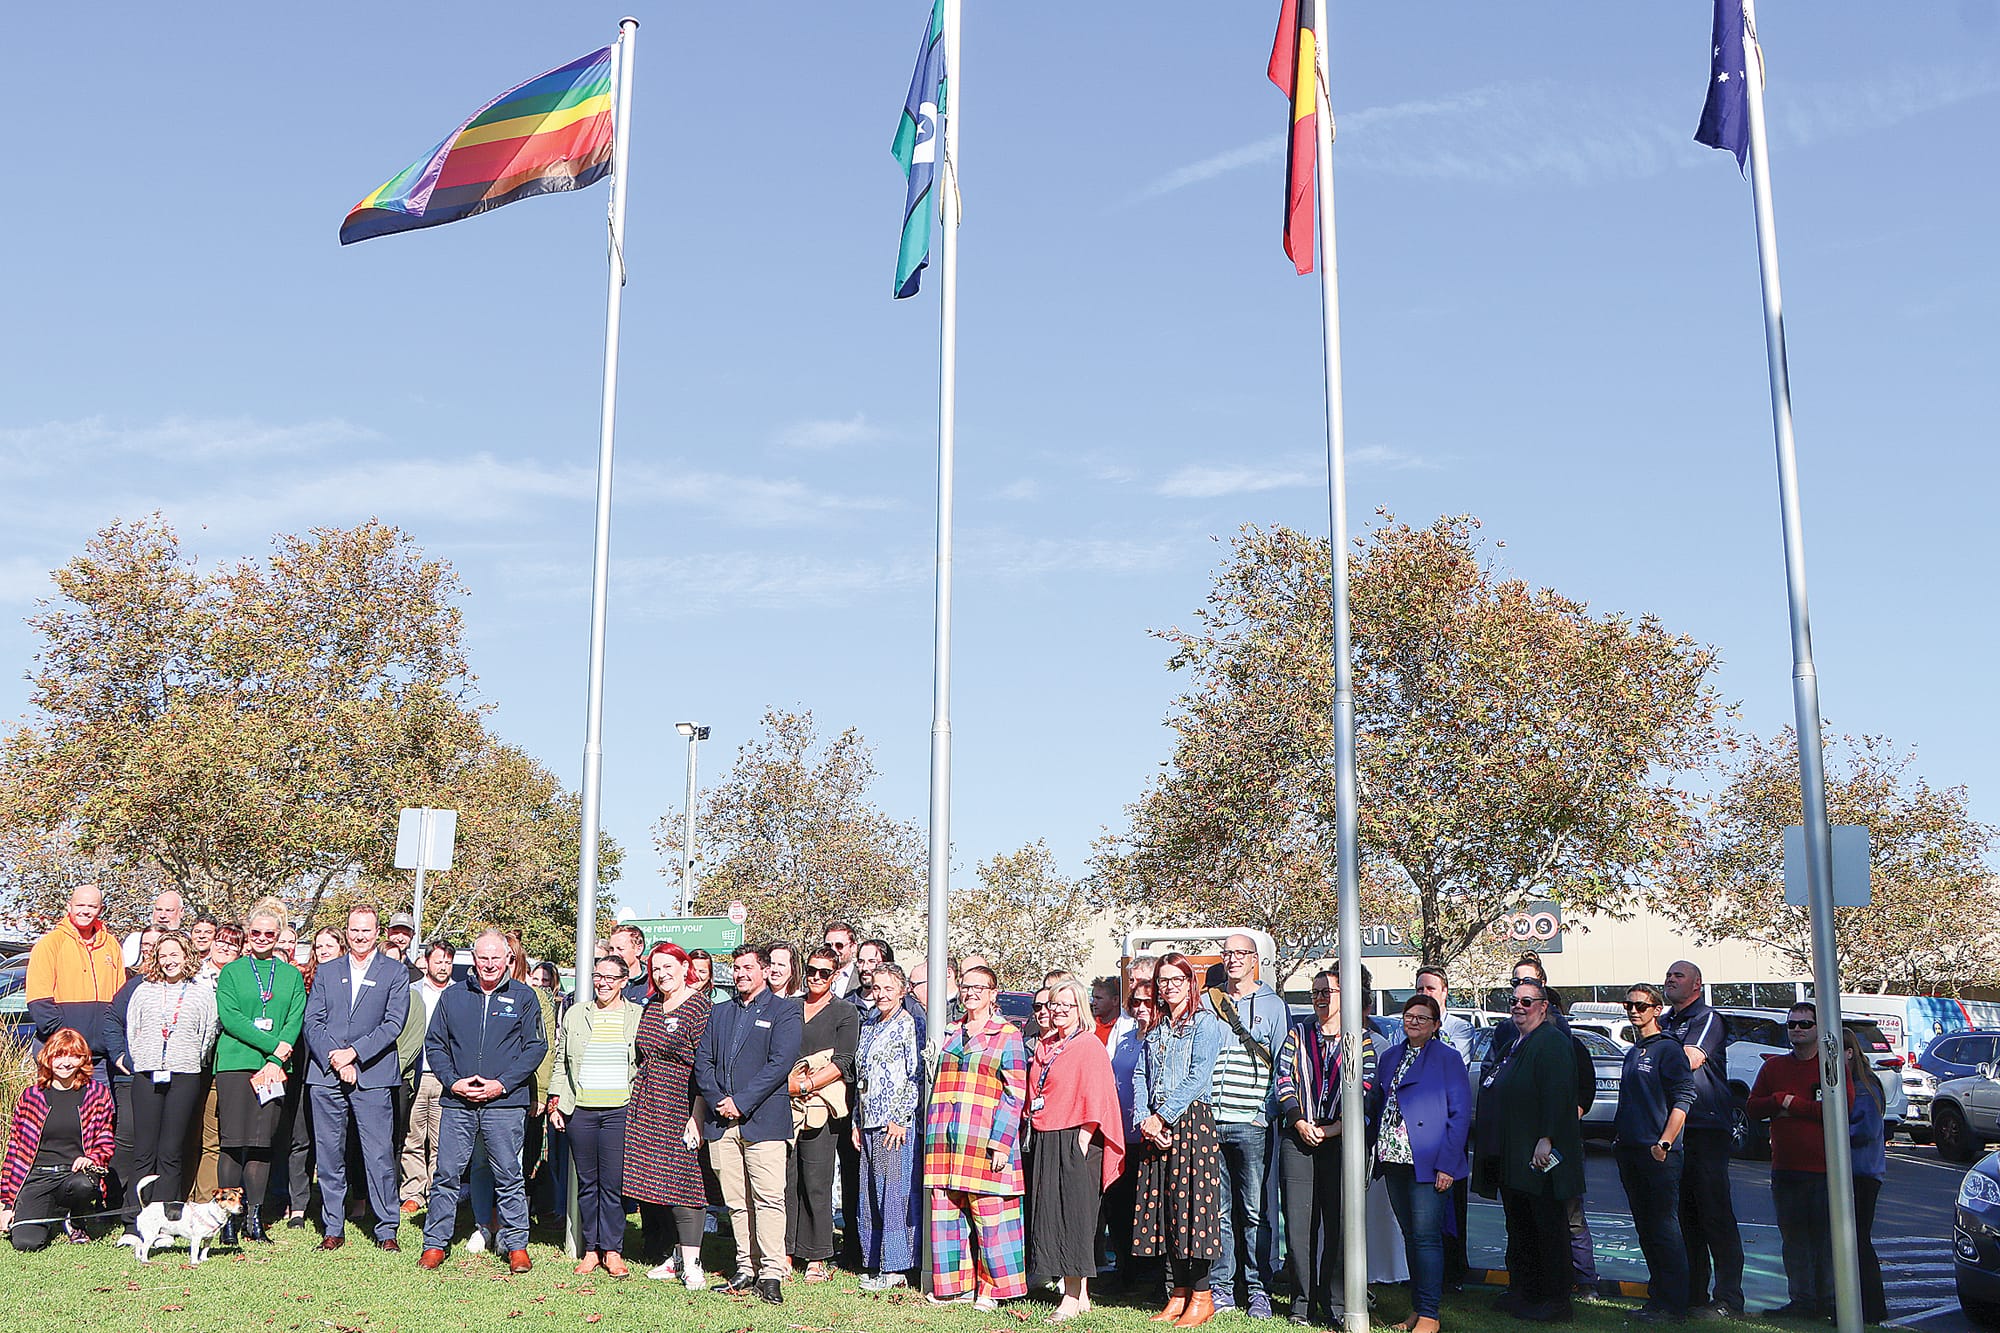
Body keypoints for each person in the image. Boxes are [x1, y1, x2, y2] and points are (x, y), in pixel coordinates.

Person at [415, 929, 548, 1274]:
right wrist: (453, 1081)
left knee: (509, 1175)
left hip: (504, 1102)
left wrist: (501, 1084)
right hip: (458, 1101)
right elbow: (435, 1044)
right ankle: (435, 1243)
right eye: (482, 957)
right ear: (473, 959)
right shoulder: (454, 996)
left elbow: (535, 1047)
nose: (489, 964)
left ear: (508, 960)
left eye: (496, 957)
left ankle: (516, 1245)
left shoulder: (524, 997)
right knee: (447, 1174)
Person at [696, 943, 803, 1304]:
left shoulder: (785, 1012)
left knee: (769, 1198)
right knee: (736, 1201)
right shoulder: (719, 1012)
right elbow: (703, 1063)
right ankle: (746, 1266)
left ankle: (771, 1272)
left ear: (763, 971)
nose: (741, 974)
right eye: (736, 968)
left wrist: (740, 1102)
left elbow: (779, 1064)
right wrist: (718, 1102)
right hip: (722, 1123)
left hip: (764, 1121)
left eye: (747, 968)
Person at [1473, 978, 1584, 1323]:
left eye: (1526, 1001)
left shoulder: (1551, 1042)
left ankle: (1554, 1298)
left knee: (1546, 1227)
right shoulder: (1514, 1042)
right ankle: (1525, 1292)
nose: (1518, 1007)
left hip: (1539, 1157)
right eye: (1514, 1001)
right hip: (1512, 1156)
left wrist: (1547, 1137)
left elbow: (1558, 1092)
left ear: (1543, 1006)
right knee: (1520, 1227)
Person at [301, 904, 411, 1251]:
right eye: (354, 930)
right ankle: (333, 1226)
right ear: (346, 933)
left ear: (377, 932)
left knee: (378, 1155)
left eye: (366, 930)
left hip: (373, 1076)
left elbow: (393, 1023)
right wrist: (336, 1057)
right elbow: (312, 1021)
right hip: (325, 1074)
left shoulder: (394, 972)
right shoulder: (328, 971)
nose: (360, 936)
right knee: (329, 1154)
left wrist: (355, 1053)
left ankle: (387, 1229)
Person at [1274, 966, 1377, 1327]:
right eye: (1315, 992)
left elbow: (1365, 1086)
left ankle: (1334, 1302)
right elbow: (1283, 1078)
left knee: (1339, 1224)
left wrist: (1334, 1129)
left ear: (1344, 996)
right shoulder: (1298, 1033)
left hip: (1340, 1143)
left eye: (1328, 992)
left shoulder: (1359, 1039)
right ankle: (1301, 1303)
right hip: (1298, 1138)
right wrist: (1299, 1121)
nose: (1320, 998)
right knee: (1300, 1228)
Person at [924, 962, 1028, 1312]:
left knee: (991, 1220)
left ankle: (990, 1291)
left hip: (984, 1139)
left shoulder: (1007, 1035)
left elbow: (1016, 1092)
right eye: (966, 987)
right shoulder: (950, 1031)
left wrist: (1002, 1141)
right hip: (945, 1142)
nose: (971, 993)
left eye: (979, 988)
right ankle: (953, 1288)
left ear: (993, 994)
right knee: (946, 1215)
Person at [1132, 952, 1226, 1328]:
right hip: (1155, 1124)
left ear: (1191, 983)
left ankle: (1203, 1296)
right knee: (1166, 1213)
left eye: (1177, 979)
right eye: (1163, 980)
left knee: (1194, 1213)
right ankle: (1179, 1293)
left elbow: (1198, 1076)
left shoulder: (1205, 1024)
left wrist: (1163, 1116)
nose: (1169, 986)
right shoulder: (1155, 1026)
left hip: (1191, 1121)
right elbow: (1140, 1074)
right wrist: (1144, 1118)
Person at [1368, 994, 1470, 1333]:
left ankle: (1430, 1314)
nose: (1413, 1022)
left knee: (1427, 1238)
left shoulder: (1448, 1059)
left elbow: (1459, 1115)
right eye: (1409, 1016)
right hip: (1393, 1159)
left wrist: (1447, 1165)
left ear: (1436, 1025)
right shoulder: (1391, 1056)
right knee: (1411, 1236)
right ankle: (1418, 1308)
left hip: (1428, 1162)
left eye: (1422, 1018)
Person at [1028, 977, 1127, 1323]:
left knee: (1074, 1218)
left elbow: (1098, 1096)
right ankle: (1080, 1292)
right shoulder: (1049, 1045)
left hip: (1077, 1139)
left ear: (1079, 1008)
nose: (1058, 1011)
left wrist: (1083, 1139)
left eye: (1066, 1005)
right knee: (1053, 1215)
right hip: (1048, 1133)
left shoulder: (1087, 1045)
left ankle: (1070, 1297)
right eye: (1054, 1004)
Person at [213, 898, 307, 1243]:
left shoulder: (291, 975)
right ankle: (227, 1222)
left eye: (270, 933)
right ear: (247, 934)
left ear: (279, 935)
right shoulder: (232, 971)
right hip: (237, 1065)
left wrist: (277, 1059)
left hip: (275, 1070)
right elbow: (231, 1017)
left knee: (261, 1145)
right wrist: (273, 1047)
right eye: (256, 932)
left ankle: (254, 1218)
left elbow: (294, 1017)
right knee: (233, 1144)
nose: (263, 937)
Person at [1205, 934, 1287, 1319]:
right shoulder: (1208, 1001)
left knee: (1255, 1211)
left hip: (1251, 1123)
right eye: (1228, 953)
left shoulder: (1273, 1006)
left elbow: (1283, 1065)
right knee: (1218, 1212)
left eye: (1240, 953)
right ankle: (1221, 1288)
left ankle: (1258, 1290)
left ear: (1255, 960)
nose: (1233, 959)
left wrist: (1263, 1113)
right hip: (1211, 1121)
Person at [548, 954, 643, 1277]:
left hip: (620, 1110)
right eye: (597, 976)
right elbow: (561, 1060)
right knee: (588, 1183)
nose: (602, 983)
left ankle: (613, 1250)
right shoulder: (576, 1014)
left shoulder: (637, 1016)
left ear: (623, 982)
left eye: (609, 978)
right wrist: (555, 1101)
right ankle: (591, 1250)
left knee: (613, 1184)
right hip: (581, 1110)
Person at [1660, 958, 1744, 1319]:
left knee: (1715, 1215)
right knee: (1684, 1217)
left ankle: (1728, 1299)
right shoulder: (1664, 1021)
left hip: (1706, 1126)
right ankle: (1692, 1295)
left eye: (1678, 975)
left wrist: (1656, 1055)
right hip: (1673, 1128)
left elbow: (1689, 1059)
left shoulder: (1706, 1018)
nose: (1670, 980)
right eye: (1668, 975)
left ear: (1696, 984)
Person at [625, 941, 712, 1287]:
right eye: (655, 969)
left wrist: (697, 1115)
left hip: (682, 1102)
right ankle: (675, 1258)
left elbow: (705, 1066)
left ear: (683, 965)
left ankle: (693, 1264)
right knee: (657, 1181)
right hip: (649, 1102)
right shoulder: (652, 1006)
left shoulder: (699, 1006)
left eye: (667, 966)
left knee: (685, 1183)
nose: (662, 975)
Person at [1746, 1002, 1835, 1318]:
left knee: (1826, 1241)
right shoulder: (1773, 1068)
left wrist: (1791, 1104)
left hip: (1827, 1172)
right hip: (1785, 1170)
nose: (1797, 1029)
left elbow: (1838, 1111)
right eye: (1792, 1025)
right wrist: (1775, 1101)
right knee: (1794, 1240)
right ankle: (1801, 1301)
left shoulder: (1829, 1068)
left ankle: (1829, 1303)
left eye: (1804, 1024)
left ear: (1818, 1028)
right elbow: (1754, 1107)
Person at [1614, 983, 1695, 1323]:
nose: (1634, 1011)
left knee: (1664, 1228)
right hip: (1629, 1150)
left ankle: (1674, 1304)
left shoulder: (1667, 1049)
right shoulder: (1634, 1051)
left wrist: (1664, 1142)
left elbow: (1683, 1098)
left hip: (1657, 1152)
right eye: (1629, 1005)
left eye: (1642, 1006)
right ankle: (1657, 1298)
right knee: (1646, 1228)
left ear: (1656, 1010)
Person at [124, 931, 217, 1214]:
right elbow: (133, 1031)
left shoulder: (201, 992)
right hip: (148, 1074)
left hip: (184, 1075)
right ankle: (134, 1217)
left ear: (186, 955)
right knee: (144, 1151)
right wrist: (144, 1058)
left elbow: (208, 1033)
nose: (168, 961)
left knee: (171, 1152)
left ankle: (167, 1215)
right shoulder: (144, 989)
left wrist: (188, 1060)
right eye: (162, 955)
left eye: (174, 954)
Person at [0, 1028, 116, 1249]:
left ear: (83, 1059)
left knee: (83, 1185)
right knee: (26, 1243)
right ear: (48, 1058)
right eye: (59, 1055)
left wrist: (92, 1158)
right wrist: (6, 1203)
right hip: (36, 1177)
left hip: (72, 1175)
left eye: (73, 1056)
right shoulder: (32, 1096)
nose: (66, 1063)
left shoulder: (96, 1094)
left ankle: (76, 1219)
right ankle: (48, 1210)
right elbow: (14, 1148)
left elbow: (105, 1138)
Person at [789, 946, 858, 1281]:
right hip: (784, 1106)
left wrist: (806, 1085)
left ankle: (817, 1256)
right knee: (787, 1180)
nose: (816, 977)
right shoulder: (789, 1007)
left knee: (817, 1181)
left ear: (834, 975)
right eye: (812, 971)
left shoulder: (845, 1012)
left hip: (821, 1105)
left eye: (824, 973)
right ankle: (786, 1252)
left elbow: (843, 1061)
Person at [854, 963, 922, 1291]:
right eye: (877, 988)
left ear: (902, 990)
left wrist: (901, 1117)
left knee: (893, 1195)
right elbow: (862, 1076)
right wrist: (856, 1119)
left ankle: (895, 1267)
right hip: (868, 1119)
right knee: (869, 1195)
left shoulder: (908, 1024)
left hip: (893, 1124)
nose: (881, 994)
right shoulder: (868, 1023)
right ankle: (873, 1259)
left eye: (888, 989)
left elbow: (914, 1075)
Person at [25, 883, 127, 1074]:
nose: (85, 911)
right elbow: (39, 1003)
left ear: (100, 909)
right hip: (61, 1057)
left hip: (101, 1059)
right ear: (69, 906)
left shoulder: (111, 945)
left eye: (92, 906)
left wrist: (111, 1041)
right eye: (80, 905)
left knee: (100, 1104)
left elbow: (119, 1002)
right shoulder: (50, 944)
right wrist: (69, 1044)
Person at [1104, 979, 1156, 1296]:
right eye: (1135, 1002)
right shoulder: (1123, 1038)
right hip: (1120, 1136)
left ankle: (1149, 1277)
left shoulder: (1162, 1039)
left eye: (1147, 1002)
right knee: (1119, 1207)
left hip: (1150, 1137)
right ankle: (1125, 1272)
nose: (1140, 1008)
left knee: (1147, 1210)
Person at [399, 940, 455, 1214]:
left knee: (441, 1139)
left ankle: (437, 1192)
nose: (443, 966)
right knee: (413, 1135)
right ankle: (412, 1191)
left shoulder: (460, 994)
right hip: (418, 1073)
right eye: (438, 961)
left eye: (447, 962)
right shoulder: (412, 992)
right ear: (427, 962)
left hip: (446, 1078)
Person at [1844, 1028, 1888, 1325]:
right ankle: (1855, 1306)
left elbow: (1865, 1130)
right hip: (1857, 1171)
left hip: (1862, 1173)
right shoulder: (1853, 1083)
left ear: (1849, 1053)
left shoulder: (1864, 1086)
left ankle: (1871, 1310)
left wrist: (1829, 1134)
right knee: (1851, 1241)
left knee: (1858, 1241)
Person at [123, 890, 186, 966]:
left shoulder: (190, 940)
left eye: (169, 910)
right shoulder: (135, 940)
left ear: (181, 912)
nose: (162, 915)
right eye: (158, 910)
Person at [610, 924, 649, 1002]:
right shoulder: (604, 983)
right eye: (611, 949)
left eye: (620, 949)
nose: (614, 954)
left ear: (638, 949)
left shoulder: (652, 983)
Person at [824, 921, 861, 998]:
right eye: (828, 945)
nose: (833, 950)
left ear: (853, 947)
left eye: (839, 945)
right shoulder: (810, 980)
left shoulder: (862, 980)